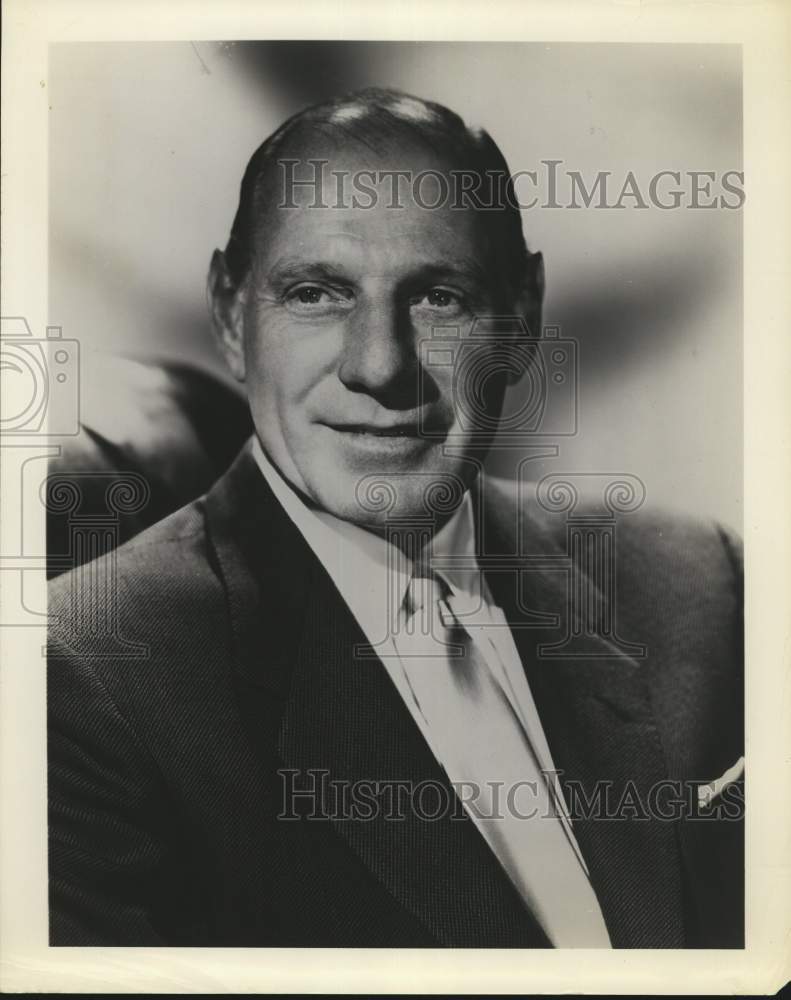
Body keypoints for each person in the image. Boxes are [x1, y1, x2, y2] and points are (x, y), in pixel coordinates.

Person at [47, 88, 743, 948]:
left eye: (438, 297)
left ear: (522, 313)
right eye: (316, 294)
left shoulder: (696, 583)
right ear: (230, 313)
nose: (379, 365)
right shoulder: (80, 684)